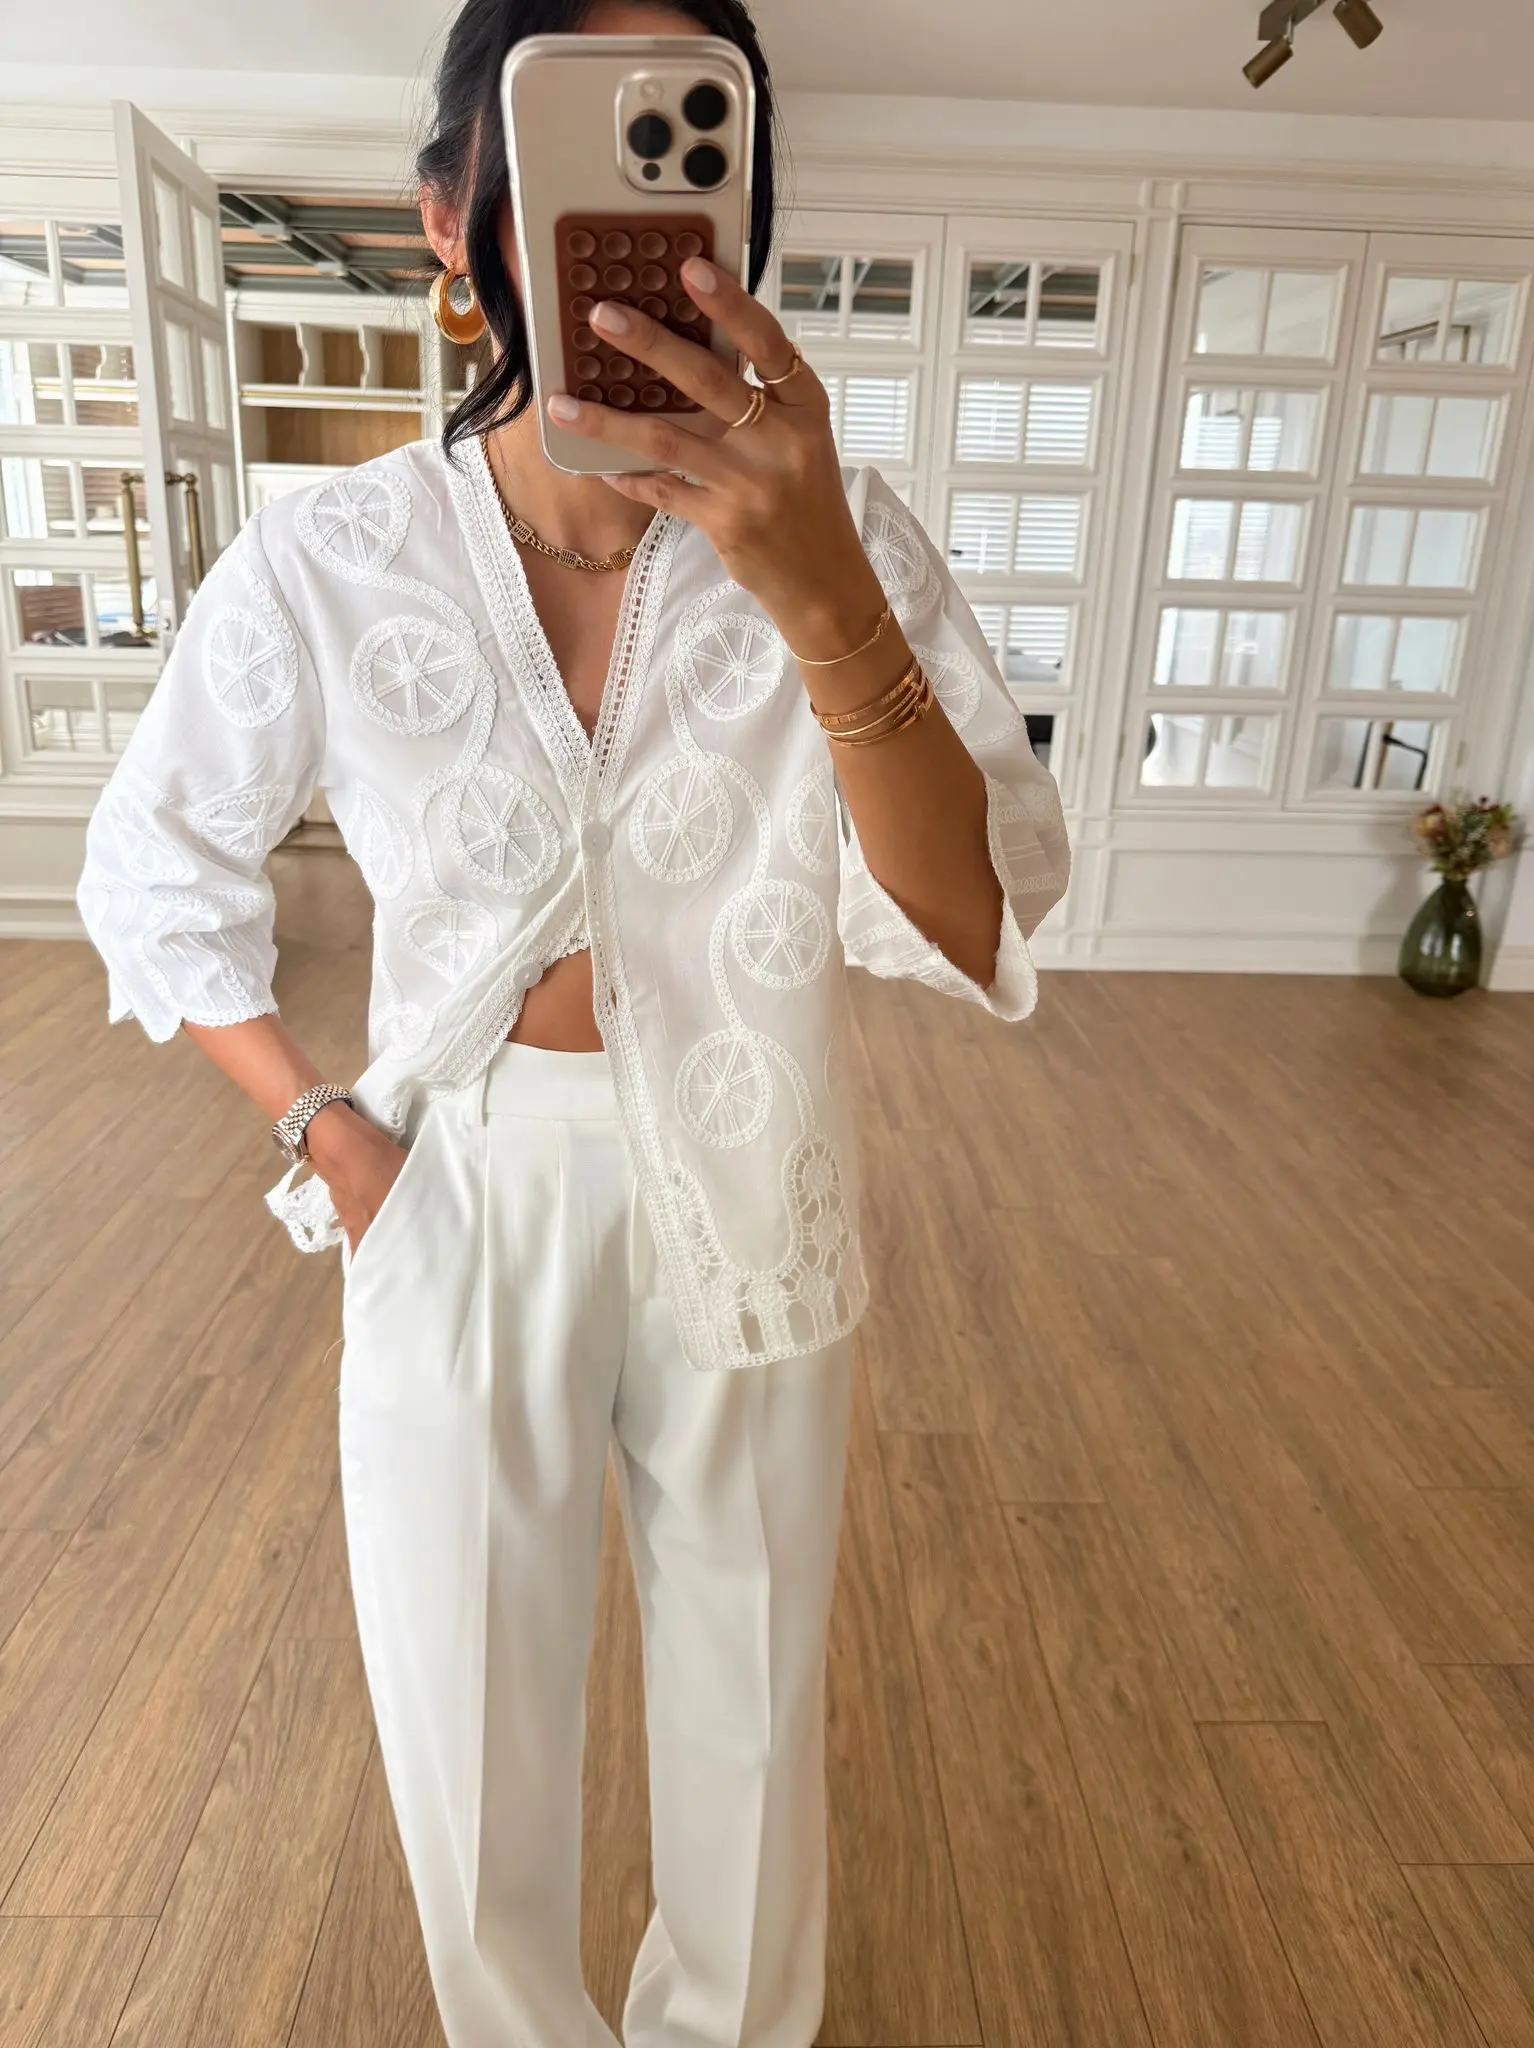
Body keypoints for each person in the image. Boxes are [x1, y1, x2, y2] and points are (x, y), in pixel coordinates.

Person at [76, 1, 1070, 2041]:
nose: (629, 221)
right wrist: (328, 1132)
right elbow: (152, 863)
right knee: (467, 1732)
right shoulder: (335, 556)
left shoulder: (848, 539)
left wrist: (820, 589)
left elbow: (976, 911)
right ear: (457, 218)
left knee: (752, 1730)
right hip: (458, 1183)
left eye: (686, 155)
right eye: (563, 160)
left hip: (758, 1165)